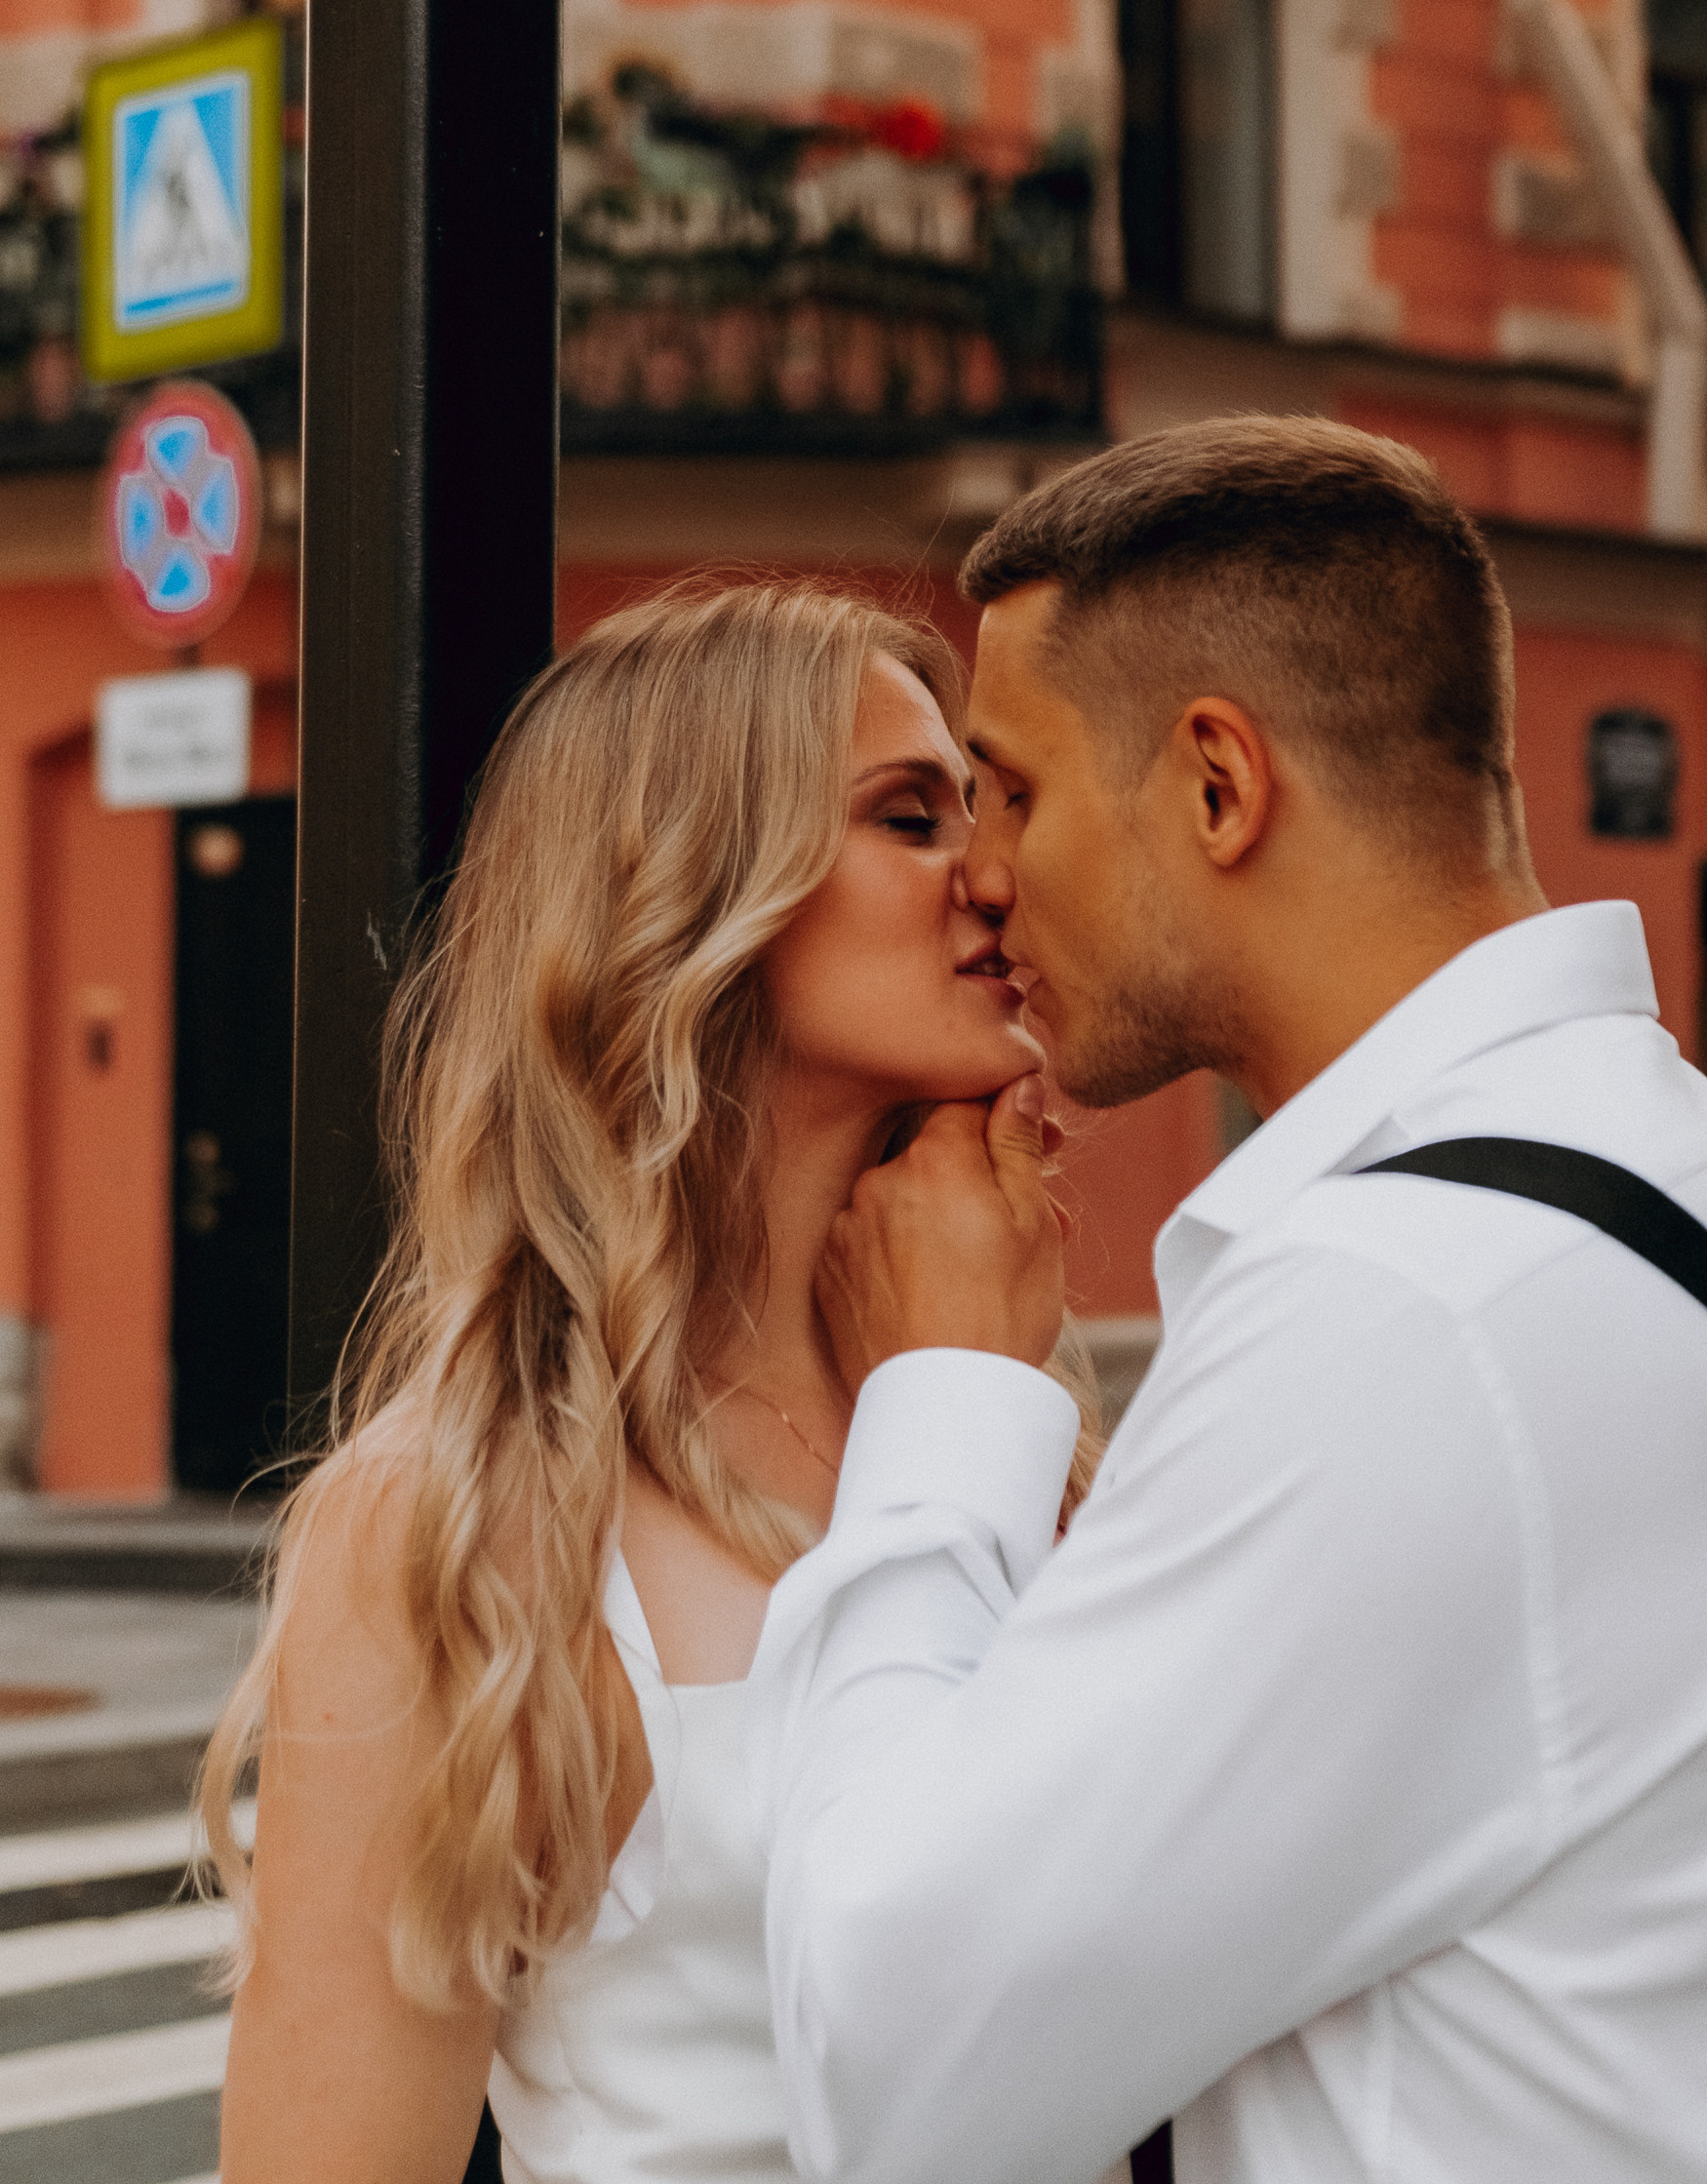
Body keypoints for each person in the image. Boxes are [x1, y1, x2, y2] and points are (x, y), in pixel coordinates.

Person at [749, 413, 1707, 2184]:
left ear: (1219, 787)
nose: (982, 875)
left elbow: (889, 2070)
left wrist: (942, 1403)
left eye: (1012, 788)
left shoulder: (1414, 1315)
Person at [202, 580, 1099, 2184]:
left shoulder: (1016, 1424)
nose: (994, 875)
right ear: (695, 898)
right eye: (910, 815)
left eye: (981, 808)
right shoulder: (459, 1521)